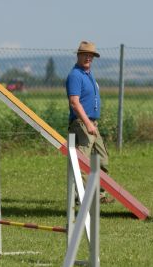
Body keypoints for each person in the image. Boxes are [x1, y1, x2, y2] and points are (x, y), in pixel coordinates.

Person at [66, 41, 114, 204]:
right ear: (78, 55)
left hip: (92, 123)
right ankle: (82, 196)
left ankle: (99, 194)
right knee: (83, 162)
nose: (88, 58)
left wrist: (91, 123)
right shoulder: (75, 76)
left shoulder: (89, 74)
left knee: (102, 159)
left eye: (91, 56)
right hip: (81, 123)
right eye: (85, 55)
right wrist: (87, 123)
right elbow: (74, 102)